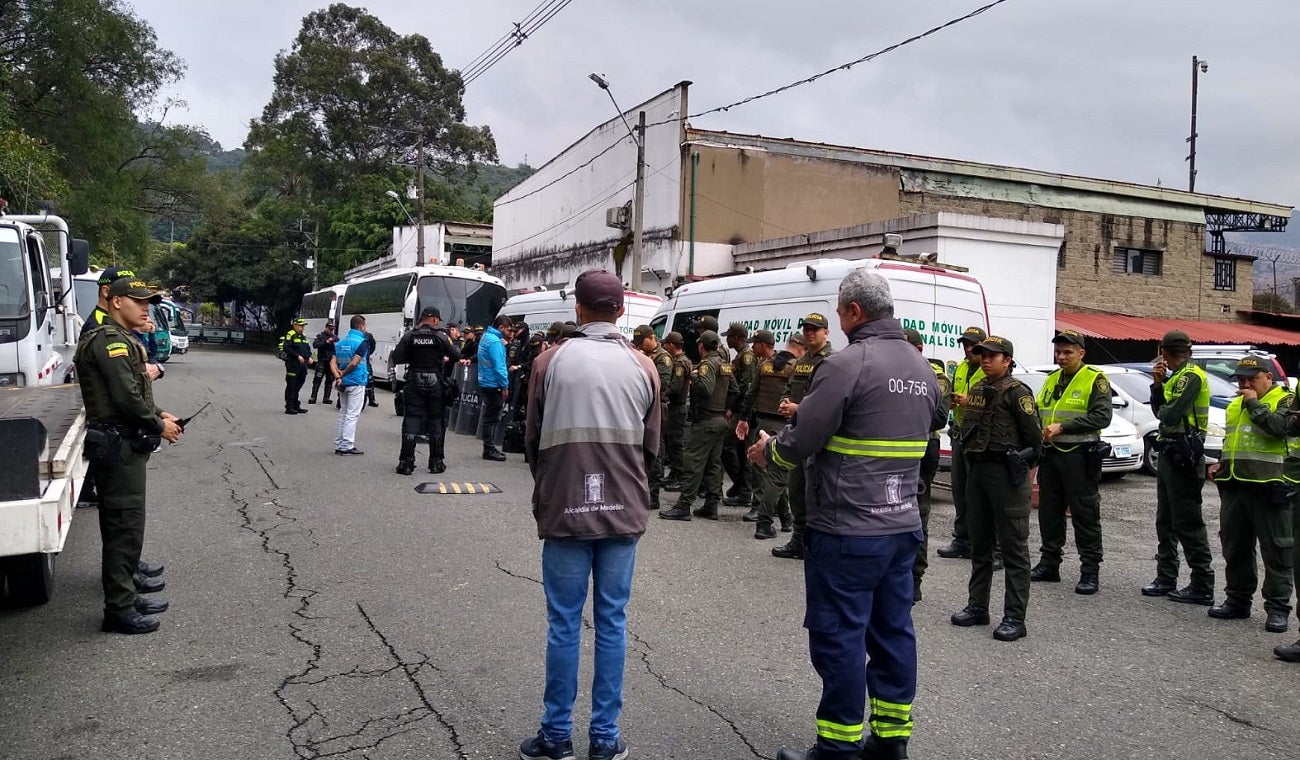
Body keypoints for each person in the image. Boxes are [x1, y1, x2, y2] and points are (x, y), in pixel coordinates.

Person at [749, 269, 936, 760]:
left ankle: (838, 746)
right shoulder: (921, 368)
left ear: (854, 310)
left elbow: (803, 439)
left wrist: (769, 452)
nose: (837, 320)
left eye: (838, 311)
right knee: (893, 632)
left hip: (848, 527)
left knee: (839, 636)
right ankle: (891, 740)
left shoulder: (847, 364)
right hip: (902, 524)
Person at [519, 269, 660, 760]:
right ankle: (604, 738)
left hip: (565, 509)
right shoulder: (644, 366)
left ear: (577, 309)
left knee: (563, 623)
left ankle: (556, 736)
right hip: (623, 510)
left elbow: (532, 440)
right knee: (612, 622)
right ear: (621, 310)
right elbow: (652, 446)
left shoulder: (549, 361)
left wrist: (553, 486)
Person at [75, 276, 183, 634]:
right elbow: (125, 398)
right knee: (123, 525)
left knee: (128, 524)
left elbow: (134, 392)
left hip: (125, 443)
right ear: (117, 301)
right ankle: (118, 609)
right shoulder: (110, 341)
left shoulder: (121, 338)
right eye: (139, 302)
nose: (145, 308)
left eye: (148, 302)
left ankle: (127, 593)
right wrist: (159, 425)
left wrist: (160, 413)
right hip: (118, 445)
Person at [950, 336, 1042, 642]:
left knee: (1013, 547)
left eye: (993, 355)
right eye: (983, 355)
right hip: (978, 471)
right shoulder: (978, 389)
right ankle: (978, 605)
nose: (986, 359)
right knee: (980, 544)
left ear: (1008, 360)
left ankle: (1015, 616)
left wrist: (1019, 466)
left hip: (1005, 475)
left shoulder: (1018, 393)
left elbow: (1035, 442)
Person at [1206, 357, 1294, 633]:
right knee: (1235, 546)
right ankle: (1238, 600)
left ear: (1267, 377)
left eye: (1251, 379)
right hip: (1235, 484)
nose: (1245, 384)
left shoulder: (1285, 399)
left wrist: (1254, 403)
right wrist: (1221, 462)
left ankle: (1278, 609)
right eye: (1241, 379)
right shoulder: (1235, 404)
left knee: (1276, 550)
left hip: (1270, 485)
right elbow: (1233, 440)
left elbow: (1279, 429)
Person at [1031, 330, 1113, 596]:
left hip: (1080, 456)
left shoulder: (1095, 379)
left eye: (1068, 352)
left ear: (1081, 353)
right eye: (1058, 352)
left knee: (1084, 513)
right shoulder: (1052, 378)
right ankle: (1049, 563)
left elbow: (1102, 417)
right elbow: (1040, 411)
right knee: (1049, 512)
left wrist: (1063, 427)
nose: (1062, 357)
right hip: (1051, 455)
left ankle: (1089, 570)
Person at [1141, 330, 1215, 604]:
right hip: (1170, 452)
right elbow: (1161, 411)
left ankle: (1202, 584)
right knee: (1166, 519)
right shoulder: (1175, 377)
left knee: (1187, 521)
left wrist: (1163, 403)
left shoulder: (1190, 376)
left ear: (1164, 352)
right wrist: (1157, 385)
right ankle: (1166, 576)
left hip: (1184, 453)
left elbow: (1168, 415)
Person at [771, 314, 835, 560]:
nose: (809, 333)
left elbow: (828, 402)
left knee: (814, 492)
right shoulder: (801, 361)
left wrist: (800, 409)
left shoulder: (832, 361)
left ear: (826, 333)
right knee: (796, 489)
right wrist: (784, 402)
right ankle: (798, 540)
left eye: (814, 329)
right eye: (806, 329)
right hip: (797, 432)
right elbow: (788, 388)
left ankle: (815, 544)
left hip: (817, 436)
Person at [659, 330, 736, 521]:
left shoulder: (707, 365)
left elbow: (706, 389)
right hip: (719, 419)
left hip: (705, 421)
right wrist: (726, 408)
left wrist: (693, 377)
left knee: (692, 462)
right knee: (713, 465)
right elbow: (735, 390)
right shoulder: (725, 364)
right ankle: (711, 505)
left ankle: (684, 505)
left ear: (702, 345)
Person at [735, 329, 796, 538]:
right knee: (777, 472)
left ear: (763, 344)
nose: (752, 347)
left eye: (755, 343)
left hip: (765, 422)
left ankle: (763, 513)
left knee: (765, 471)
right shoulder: (792, 366)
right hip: (784, 423)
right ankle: (785, 518)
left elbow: (751, 393)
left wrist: (743, 418)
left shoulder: (764, 365)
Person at [904, 328, 951, 602]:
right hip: (894, 449)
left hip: (923, 448)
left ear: (919, 349)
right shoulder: (894, 371)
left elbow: (940, 416)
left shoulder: (936, 377)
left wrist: (901, 421)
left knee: (918, 513)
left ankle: (914, 578)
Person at [936, 326, 987, 560]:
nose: (968, 349)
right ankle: (962, 540)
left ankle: (983, 544)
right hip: (960, 435)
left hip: (980, 438)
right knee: (960, 491)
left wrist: (971, 401)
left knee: (980, 493)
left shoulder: (990, 368)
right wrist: (953, 402)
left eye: (973, 345)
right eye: (965, 345)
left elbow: (996, 402)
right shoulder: (962, 367)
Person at [391, 307, 460, 475]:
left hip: (414, 379)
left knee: (411, 418)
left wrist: (412, 357)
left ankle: (406, 463)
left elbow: (397, 357)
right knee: (436, 420)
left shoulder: (409, 336)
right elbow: (456, 355)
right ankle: (436, 463)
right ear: (434, 319)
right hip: (435, 380)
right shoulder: (441, 336)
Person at [633, 325, 674, 510]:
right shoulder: (646, 355)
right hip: (646, 405)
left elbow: (662, 384)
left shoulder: (663, 358)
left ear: (651, 338)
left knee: (655, 447)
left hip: (658, 406)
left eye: (642, 342)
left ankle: (653, 494)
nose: (640, 346)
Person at [722, 323, 759, 511]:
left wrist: (733, 408)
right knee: (737, 448)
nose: (727, 340)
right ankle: (740, 486)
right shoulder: (740, 356)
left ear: (735, 338)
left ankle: (743, 489)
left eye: (729, 336)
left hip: (744, 411)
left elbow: (746, 387)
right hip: (740, 410)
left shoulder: (746, 357)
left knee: (730, 445)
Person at [330, 315, 370, 455]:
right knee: (352, 414)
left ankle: (339, 442)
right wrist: (344, 373)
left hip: (343, 383)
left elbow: (332, 362)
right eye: (365, 325)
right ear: (361, 326)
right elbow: (354, 363)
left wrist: (338, 376)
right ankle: (347, 445)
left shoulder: (340, 342)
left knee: (343, 413)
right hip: (356, 381)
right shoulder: (362, 342)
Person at [660, 331, 692, 489]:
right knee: (672, 442)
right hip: (676, 406)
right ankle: (674, 473)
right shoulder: (683, 360)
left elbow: (676, 388)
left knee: (676, 443)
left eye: (666, 344)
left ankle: (679, 476)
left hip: (677, 407)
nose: (665, 347)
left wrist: (663, 395)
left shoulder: (680, 363)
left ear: (671, 345)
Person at [478, 314, 511, 461]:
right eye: (508, 329)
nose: (509, 332)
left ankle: (489, 447)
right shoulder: (495, 342)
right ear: (501, 327)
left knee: (488, 416)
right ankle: (489, 448)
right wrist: (505, 385)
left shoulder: (486, 337)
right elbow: (499, 366)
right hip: (494, 383)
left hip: (486, 381)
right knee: (492, 417)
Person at [279, 318, 313, 414]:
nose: (303, 328)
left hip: (302, 365)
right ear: (295, 325)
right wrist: (297, 356)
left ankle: (296, 405)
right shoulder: (291, 334)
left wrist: (309, 357)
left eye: (303, 326)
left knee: (298, 385)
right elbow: (286, 347)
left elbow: (307, 348)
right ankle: (289, 407)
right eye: (301, 326)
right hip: (293, 364)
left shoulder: (303, 336)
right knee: (292, 386)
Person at [308, 321, 337, 405]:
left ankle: (326, 397)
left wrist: (335, 343)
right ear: (326, 328)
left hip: (331, 361)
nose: (331, 331)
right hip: (322, 360)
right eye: (330, 329)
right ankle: (313, 397)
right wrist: (326, 342)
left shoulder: (335, 337)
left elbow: (339, 346)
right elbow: (315, 345)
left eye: (332, 329)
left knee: (330, 380)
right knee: (317, 379)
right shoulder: (320, 336)